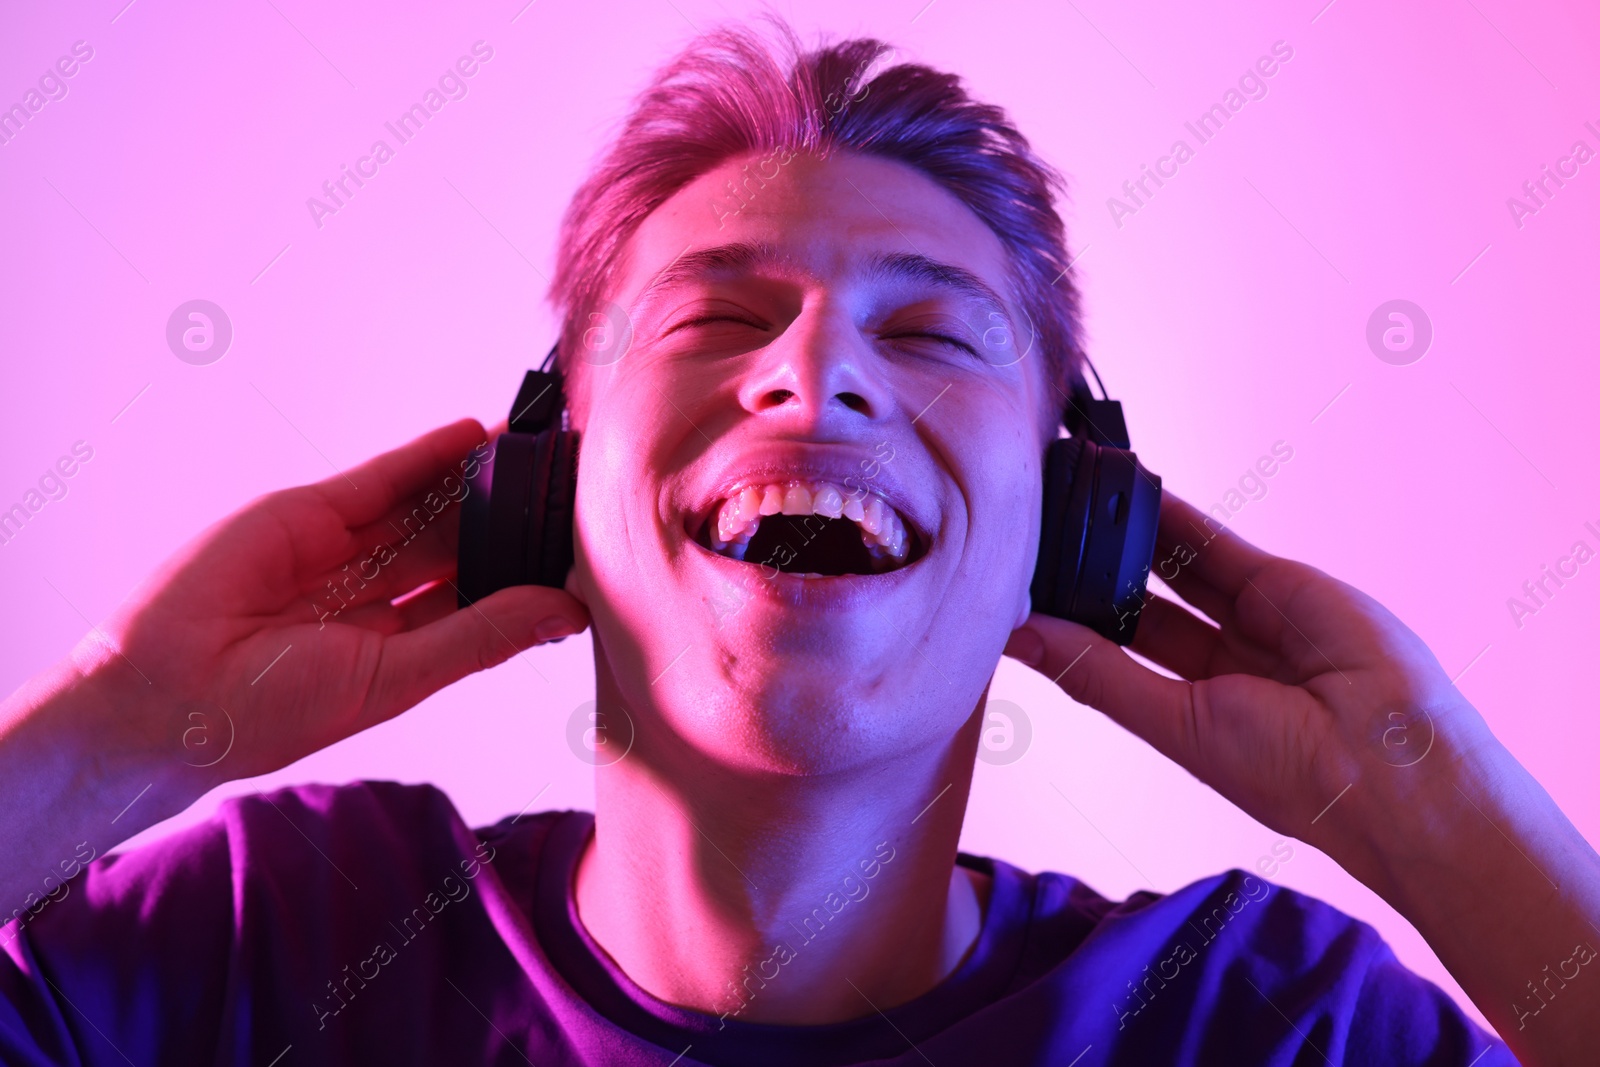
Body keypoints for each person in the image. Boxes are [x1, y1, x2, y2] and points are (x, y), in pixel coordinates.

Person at [1, 17, 1595, 1067]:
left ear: (1073, 524)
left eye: (933, 335)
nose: (815, 372)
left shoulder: (1256, 1027)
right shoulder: (260, 946)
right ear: (549, 476)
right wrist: (120, 726)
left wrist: (1426, 802)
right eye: (721, 314)